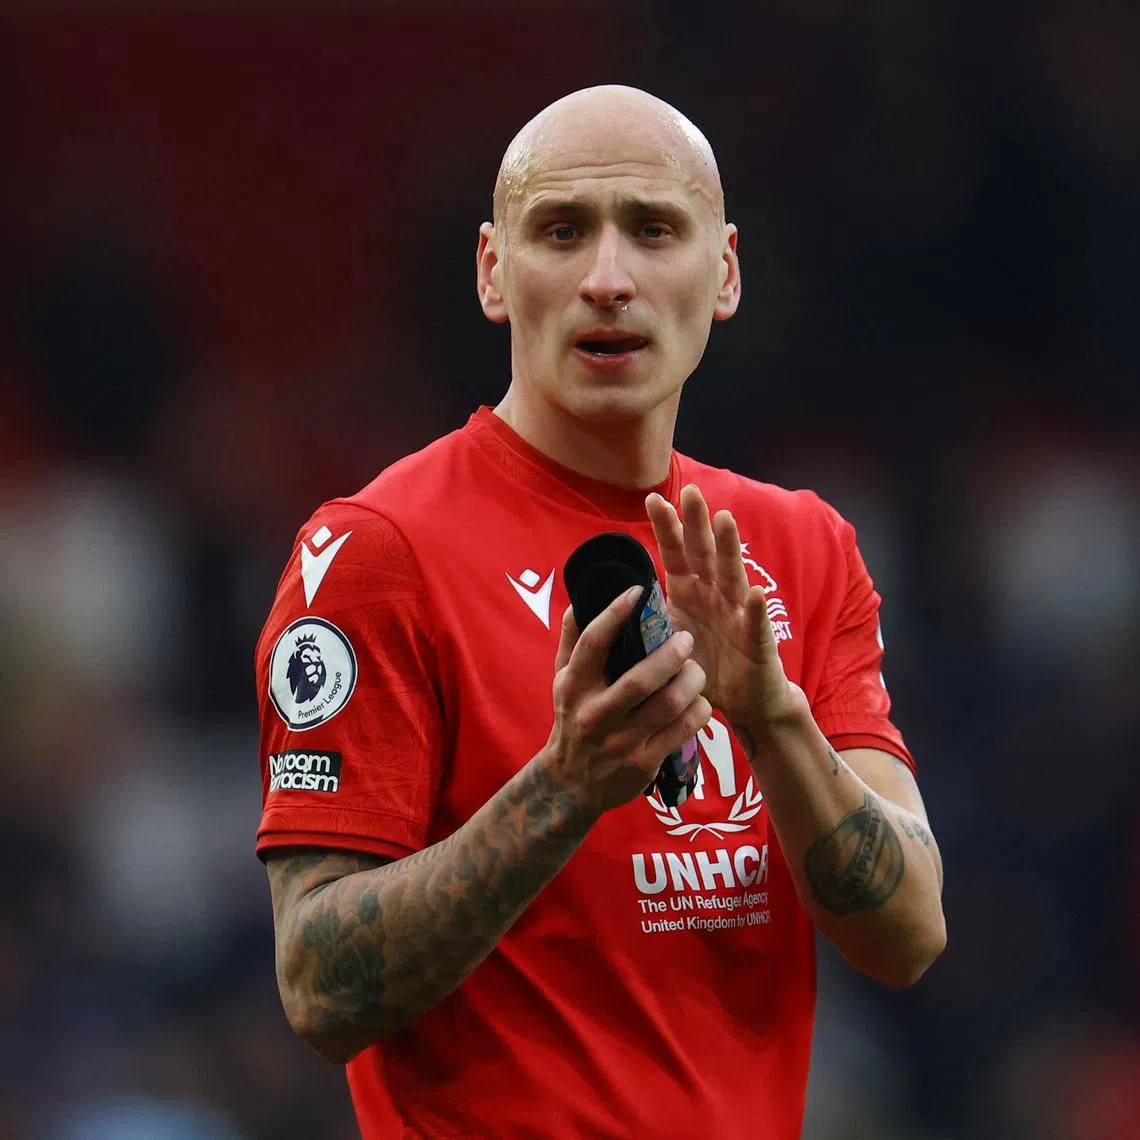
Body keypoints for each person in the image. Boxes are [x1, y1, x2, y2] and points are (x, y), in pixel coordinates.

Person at [254, 84, 946, 1140]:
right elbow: (319, 987)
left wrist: (772, 717)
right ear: (494, 271)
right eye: (563, 232)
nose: (608, 280)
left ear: (724, 274)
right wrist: (566, 786)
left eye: (654, 231)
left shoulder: (803, 548)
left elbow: (908, 935)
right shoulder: (375, 552)